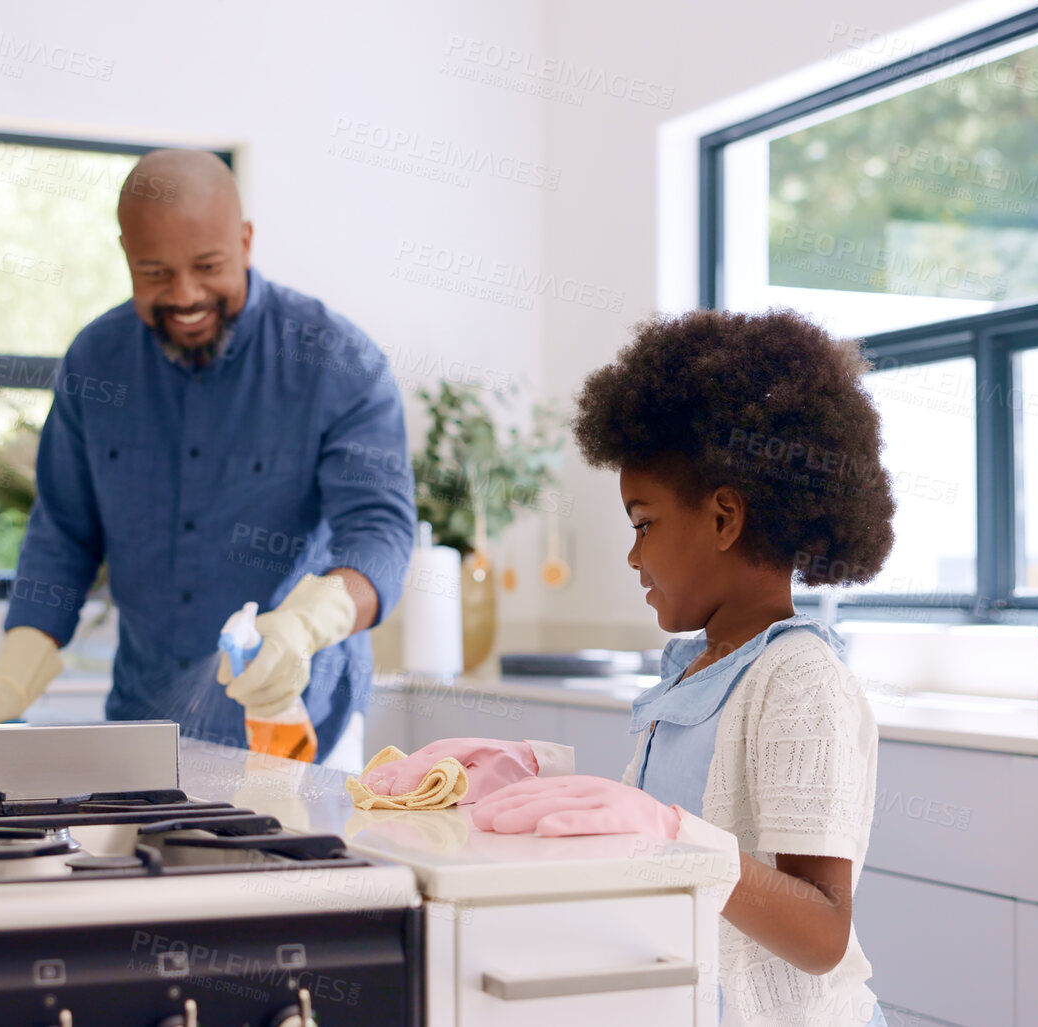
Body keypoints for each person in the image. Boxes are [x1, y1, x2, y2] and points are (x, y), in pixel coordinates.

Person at [363, 308, 895, 1025]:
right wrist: (533, 778)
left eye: (643, 522)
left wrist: (672, 835)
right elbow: (658, 820)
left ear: (722, 518)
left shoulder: (797, 678)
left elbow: (820, 931)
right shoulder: (697, 667)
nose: (632, 554)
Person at [0, 150, 416, 769]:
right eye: (155, 273)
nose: (186, 295)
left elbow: (379, 537)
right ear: (125, 255)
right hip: (142, 728)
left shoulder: (338, 362)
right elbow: (63, 536)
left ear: (246, 240)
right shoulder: (96, 363)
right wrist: (13, 680)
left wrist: (305, 626)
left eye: (208, 266)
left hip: (302, 729)